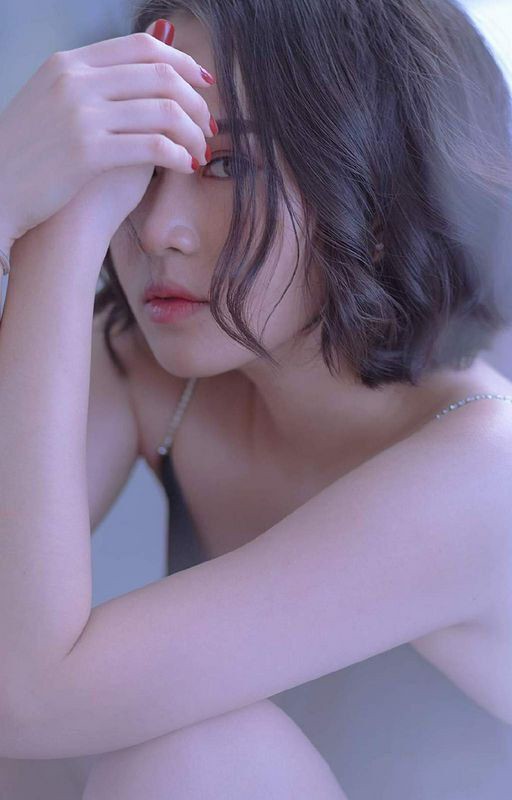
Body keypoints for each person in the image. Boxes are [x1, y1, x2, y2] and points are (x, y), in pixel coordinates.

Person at [0, 1, 511, 798]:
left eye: (229, 166)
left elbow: (27, 701)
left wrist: (55, 230)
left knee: (190, 758)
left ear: (380, 188)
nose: (155, 227)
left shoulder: (483, 479)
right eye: (141, 154)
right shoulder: (157, 371)